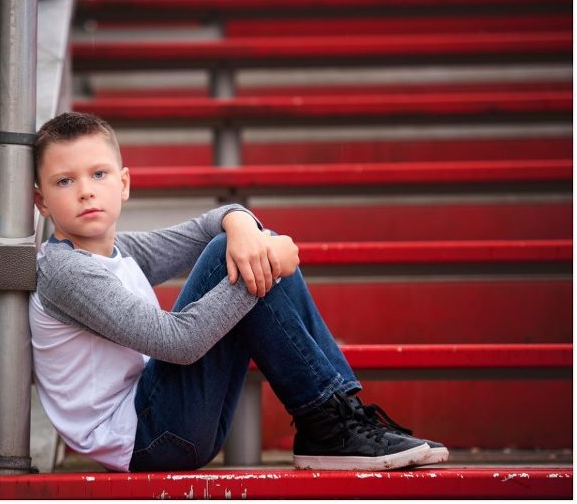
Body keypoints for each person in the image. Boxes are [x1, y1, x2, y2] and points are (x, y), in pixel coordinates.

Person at [29, 112, 448, 473]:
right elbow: (180, 343)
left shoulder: (120, 251)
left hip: (167, 426)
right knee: (232, 254)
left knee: (241, 243)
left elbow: (208, 225)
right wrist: (269, 258)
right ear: (41, 201)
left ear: (123, 184)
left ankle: (333, 415)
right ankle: (328, 424)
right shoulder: (67, 271)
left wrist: (245, 225)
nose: (85, 190)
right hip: (148, 439)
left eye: (98, 174)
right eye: (64, 181)